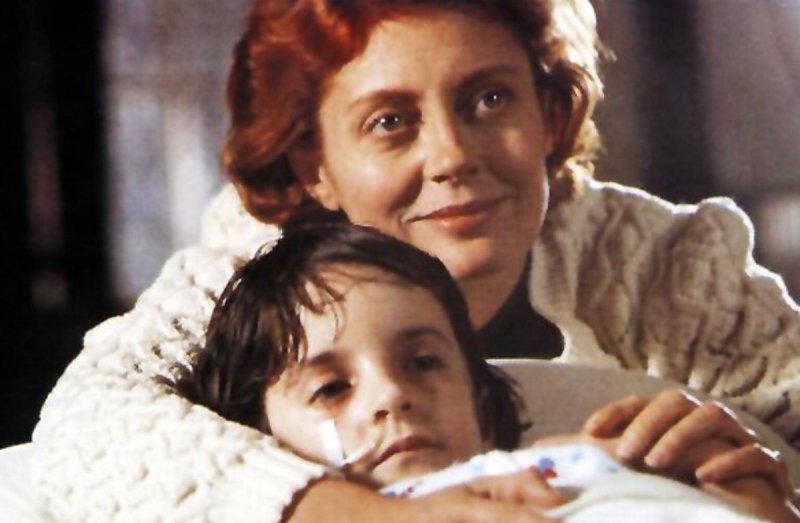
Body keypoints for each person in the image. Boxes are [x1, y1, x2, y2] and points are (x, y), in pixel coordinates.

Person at [31, 0, 800, 521]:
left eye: (490, 100)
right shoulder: (248, 271)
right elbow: (88, 426)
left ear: (547, 113)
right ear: (312, 162)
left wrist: (766, 494)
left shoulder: (667, 264)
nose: (452, 156)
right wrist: (371, 515)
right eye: (391, 121)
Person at [174, 222, 796, 523]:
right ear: (258, 441)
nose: (392, 394)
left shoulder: (567, 461)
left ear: (478, 397)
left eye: (424, 362)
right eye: (331, 388)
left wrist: (751, 505)